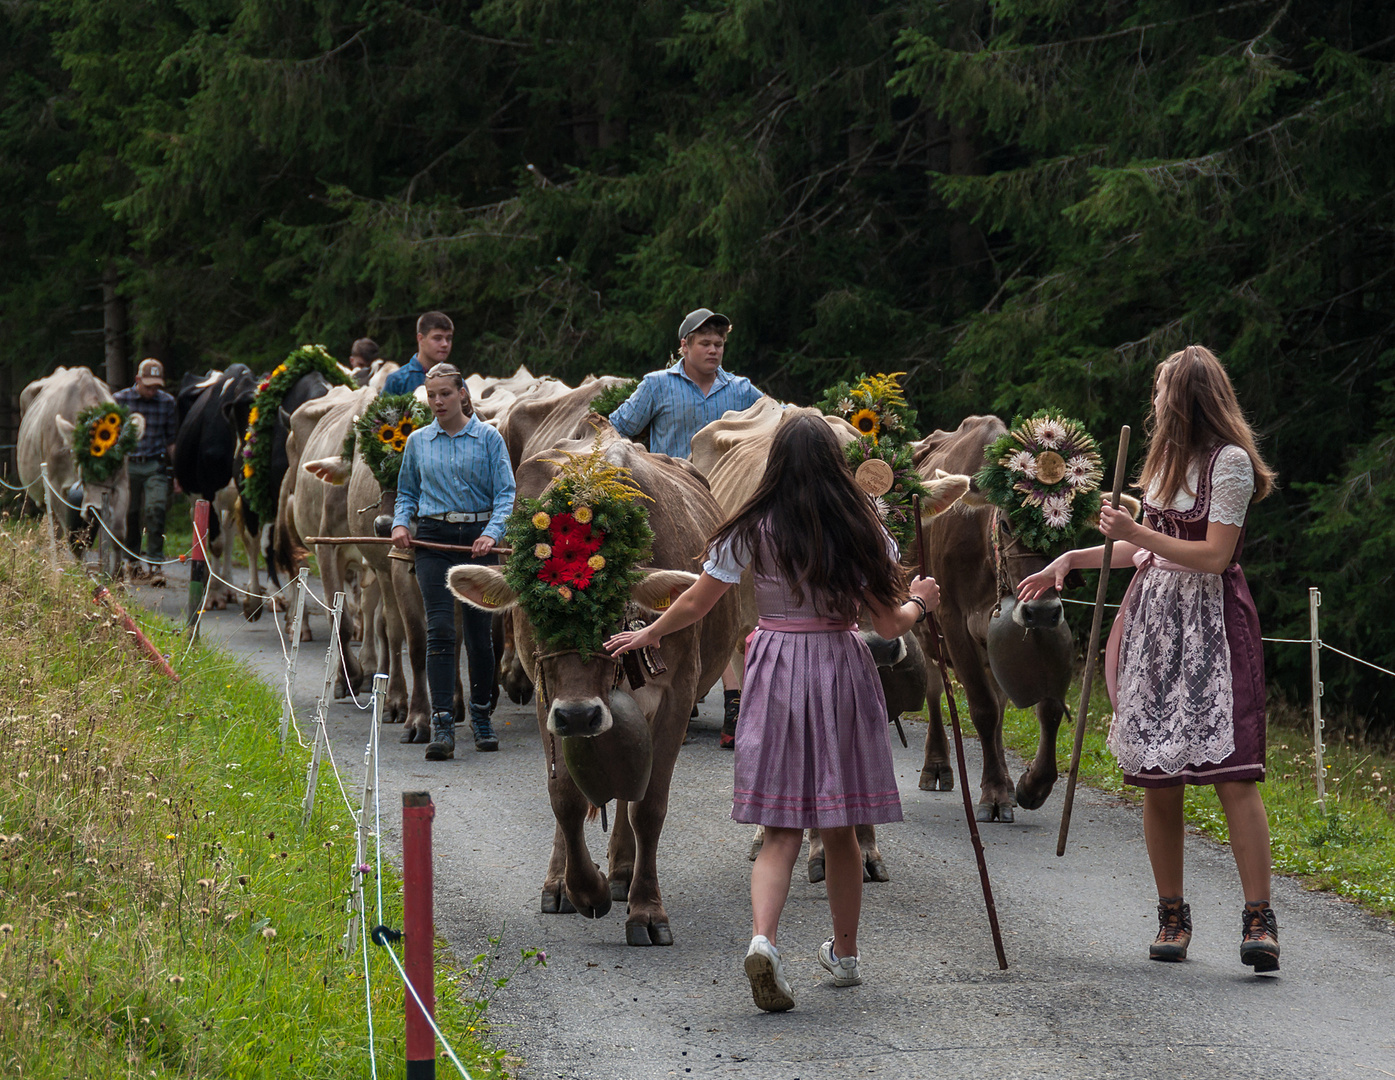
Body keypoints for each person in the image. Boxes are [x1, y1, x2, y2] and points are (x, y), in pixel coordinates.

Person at [606, 410, 939, 1012]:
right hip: (838, 661)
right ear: (836, 464)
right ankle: (844, 955)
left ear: (775, 462)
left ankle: (763, 940)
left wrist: (648, 633)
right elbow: (888, 626)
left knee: (782, 826)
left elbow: (698, 600)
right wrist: (920, 599)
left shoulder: (751, 526)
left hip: (776, 665)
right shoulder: (858, 526)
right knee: (837, 825)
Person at [1018, 344, 1280, 973]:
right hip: (1157, 623)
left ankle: (1259, 919)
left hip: (1213, 622)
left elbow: (1213, 555)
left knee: (1234, 773)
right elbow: (1146, 553)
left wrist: (1134, 532)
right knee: (1160, 779)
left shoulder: (1232, 464)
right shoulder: (1162, 464)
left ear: (1189, 395)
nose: (1156, 398)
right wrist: (1071, 560)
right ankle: (1172, 915)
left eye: (1163, 388)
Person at [609, 307, 766, 748]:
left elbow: (775, 416)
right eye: (704, 343)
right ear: (684, 346)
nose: (713, 350)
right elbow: (616, 429)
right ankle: (675, 675)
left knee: (724, 594)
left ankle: (732, 698)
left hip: (726, 502)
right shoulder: (657, 385)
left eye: (719, 344)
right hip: (671, 503)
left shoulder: (740, 389)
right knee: (679, 589)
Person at [391, 362, 516, 759]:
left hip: (478, 541)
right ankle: (442, 723)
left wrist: (492, 534)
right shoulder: (418, 442)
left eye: (445, 394)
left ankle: (481, 716)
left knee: (481, 635)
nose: (438, 402)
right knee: (440, 629)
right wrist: (400, 524)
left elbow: (506, 494)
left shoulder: (488, 439)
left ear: (462, 394)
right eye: (431, 395)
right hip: (433, 539)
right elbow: (407, 492)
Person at [114, 358, 179, 580]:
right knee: (130, 513)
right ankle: (132, 561)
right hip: (128, 465)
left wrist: (177, 473)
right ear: (138, 380)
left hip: (155, 464)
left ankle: (155, 564)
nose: (152, 391)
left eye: (156, 386)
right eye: (148, 385)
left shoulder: (167, 403)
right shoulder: (120, 400)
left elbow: (171, 441)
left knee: (156, 510)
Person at [383, 312, 453, 397]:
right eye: (437, 338)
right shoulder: (397, 381)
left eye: (449, 338)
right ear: (421, 339)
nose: (445, 344)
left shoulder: (455, 380)